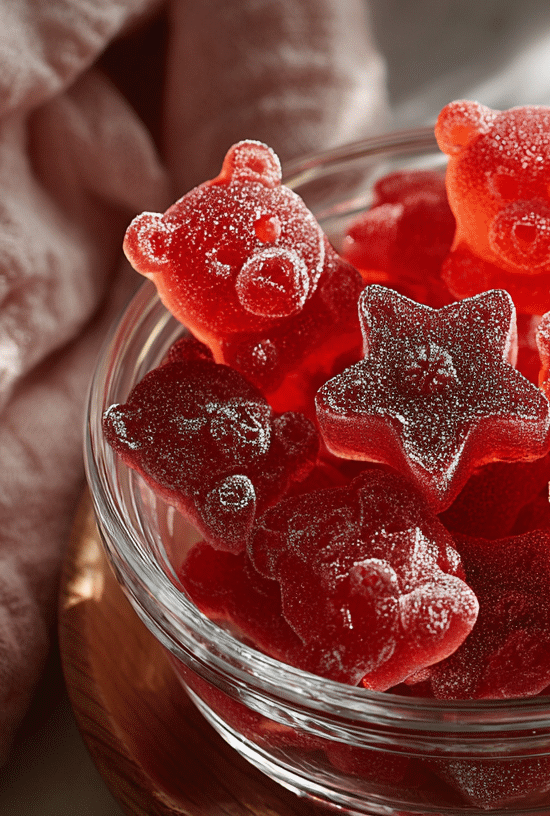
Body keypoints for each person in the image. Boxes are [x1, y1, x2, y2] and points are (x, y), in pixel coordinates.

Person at [0, 0, 387, 762]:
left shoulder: (347, 292)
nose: (264, 268)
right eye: (223, 265)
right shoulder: (216, 376)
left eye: (273, 237)